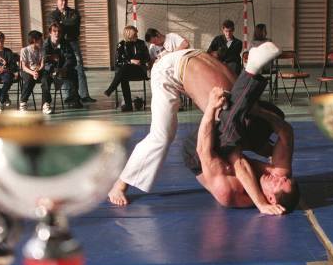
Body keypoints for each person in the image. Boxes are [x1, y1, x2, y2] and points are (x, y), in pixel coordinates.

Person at [107, 41, 282, 207]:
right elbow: (239, 162)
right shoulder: (231, 118)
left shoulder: (248, 105)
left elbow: (263, 145)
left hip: (192, 57)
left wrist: (274, 162)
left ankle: (252, 68)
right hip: (168, 70)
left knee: (234, 110)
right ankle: (120, 185)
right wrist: (261, 202)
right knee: (162, 136)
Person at [183, 81, 299, 214]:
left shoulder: (229, 192)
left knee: (233, 129)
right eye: (283, 179)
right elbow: (287, 133)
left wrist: (211, 106)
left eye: (277, 183)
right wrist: (259, 112)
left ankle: (252, 71)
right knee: (275, 115)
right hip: (229, 147)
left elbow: (204, 151)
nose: (277, 177)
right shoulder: (276, 176)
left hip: (198, 151)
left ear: (271, 199)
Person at [49, 0, 95, 103]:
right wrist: (63, 24)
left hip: (73, 42)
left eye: (65, 0)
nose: (63, 2)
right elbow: (56, 27)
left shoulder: (74, 13)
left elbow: (73, 23)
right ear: (57, 1)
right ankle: (68, 96)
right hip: (60, 45)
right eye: (61, 0)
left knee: (79, 67)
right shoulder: (52, 15)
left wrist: (61, 23)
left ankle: (84, 95)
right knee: (63, 67)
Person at [104, 25, 149, 111]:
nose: (137, 36)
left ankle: (111, 89)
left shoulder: (141, 43)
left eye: (136, 34)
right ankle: (128, 106)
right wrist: (130, 61)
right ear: (128, 35)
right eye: (134, 34)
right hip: (126, 71)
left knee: (123, 72)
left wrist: (140, 61)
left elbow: (147, 58)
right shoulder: (121, 45)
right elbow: (118, 62)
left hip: (139, 70)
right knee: (124, 72)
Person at [42, 21, 81, 111]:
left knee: (74, 73)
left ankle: (74, 99)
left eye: (59, 31)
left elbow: (71, 59)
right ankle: (46, 103)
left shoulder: (65, 43)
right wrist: (53, 69)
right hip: (49, 70)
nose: (57, 33)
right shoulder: (45, 45)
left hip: (63, 69)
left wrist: (64, 69)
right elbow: (44, 61)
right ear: (50, 33)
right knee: (45, 80)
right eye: (55, 31)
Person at [19, 30, 46, 112]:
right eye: (40, 39)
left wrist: (37, 70)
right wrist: (33, 72)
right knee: (29, 79)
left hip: (38, 70)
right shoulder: (24, 50)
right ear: (34, 40)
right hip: (27, 71)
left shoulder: (42, 50)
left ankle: (46, 104)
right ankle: (23, 102)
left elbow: (42, 64)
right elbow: (23, 66)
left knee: (46, 79)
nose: (42, 41)